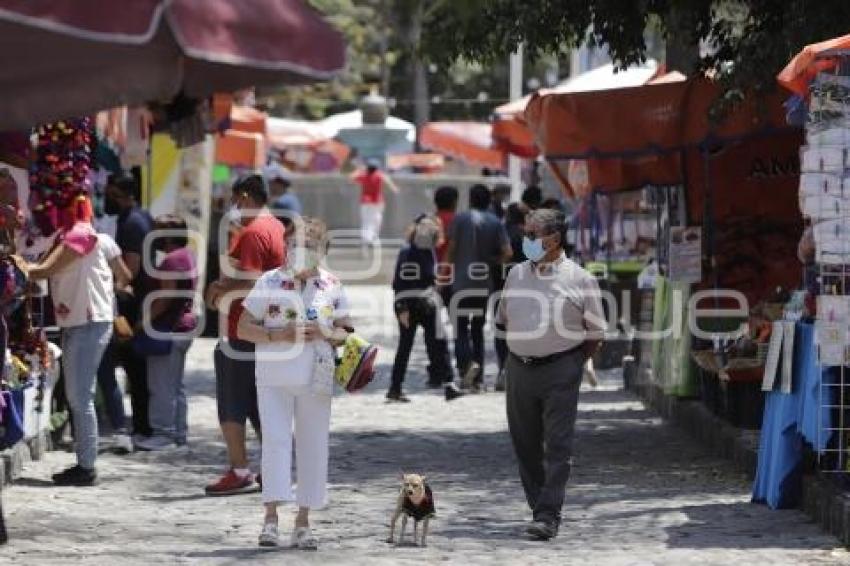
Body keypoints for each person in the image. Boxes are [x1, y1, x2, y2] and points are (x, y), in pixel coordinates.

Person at [238, 217, 350, 549]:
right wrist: (278, 334)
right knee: (274, 443)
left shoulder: (332, 285)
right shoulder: (269, 281)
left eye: (309, 246)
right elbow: (243, 327)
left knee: (313, 445)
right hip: (273, 377)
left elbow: (347, 331)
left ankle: (303, 522)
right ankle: (270, 518)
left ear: (322, 250)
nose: (301, 251)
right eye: (295, 245)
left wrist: (328, 333)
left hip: (316, 377)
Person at [495, 208, 605, 541]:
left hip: (560, 369)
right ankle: (539, 506)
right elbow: (503, 321)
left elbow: (595, 333)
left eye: (531, 235)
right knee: (525, 445)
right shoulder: (515, 275)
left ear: (554, 239)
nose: (524, 241)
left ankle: (548, 514)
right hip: (520, 369)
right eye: (524, 234)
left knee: (558, 445)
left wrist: (571, 364)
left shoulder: (581, 278)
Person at [28, 201, 131, 486]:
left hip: (88, 323)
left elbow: (42, 271)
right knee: (79, 396)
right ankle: (85, 462)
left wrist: (17, 263)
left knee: (79, 396)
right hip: (80, 323)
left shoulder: (80, 236)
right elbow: (124, 276)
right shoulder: (75, 236)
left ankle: (87, 466)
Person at [205, 174, 286, 496]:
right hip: (262, 330)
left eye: (236, 200)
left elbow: (254, 281)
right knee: (257, 403)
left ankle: (240, 470)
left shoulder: (254, 233)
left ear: (247, 196)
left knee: (232, 403)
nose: (234, 207)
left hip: (242, 329)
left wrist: (218, 289)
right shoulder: (277, 228)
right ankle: (273, 468)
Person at [134, 215, 198, 451]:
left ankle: (164, 434)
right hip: (183, 327)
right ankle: (178, 433)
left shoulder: (171, 260)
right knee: (175, 385)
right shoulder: (187, 255)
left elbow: (166, 296)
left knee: (161, 385)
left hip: (168, 328)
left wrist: (144, 322)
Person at [100, 173, 154, 442]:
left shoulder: (131, 223)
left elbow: (130, 269)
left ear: (120, 194)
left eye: (110, 194)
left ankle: (141, 425)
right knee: (136, 367)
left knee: (134, 366)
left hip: (133, 302)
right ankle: (141, 423)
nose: (107, 200)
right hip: (142, 298)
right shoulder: (142, 216)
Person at [388, 215, 464, 403]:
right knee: (405, 347)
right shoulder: (407, 251)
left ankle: (448, 384)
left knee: (439, 344)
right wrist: (401, 308)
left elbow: (430, 276)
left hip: (427, 305)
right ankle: (395, 388)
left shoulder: (428, 251)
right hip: (409, 305)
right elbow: (398, 282)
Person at [446, 184, 512, 391]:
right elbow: (507, 253)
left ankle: (467, 368)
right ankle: (479, 377)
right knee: (477, 329)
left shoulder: (460, 219)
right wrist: (493, 261)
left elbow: (451, 249)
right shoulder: (495, 222)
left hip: (461, 282)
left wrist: (444, 274)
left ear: (471, 199)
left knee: (460, 328)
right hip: (484, 284)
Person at [350, 159, 399, 248]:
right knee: (375, 220)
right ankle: (370, 238)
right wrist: (394, 188)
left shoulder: (364, 175)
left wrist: (360, 170)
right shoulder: (378, 175)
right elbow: (387, 180)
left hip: (366, 202)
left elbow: (352, 178)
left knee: (367, 221)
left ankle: (366, 239)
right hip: (377, 202)